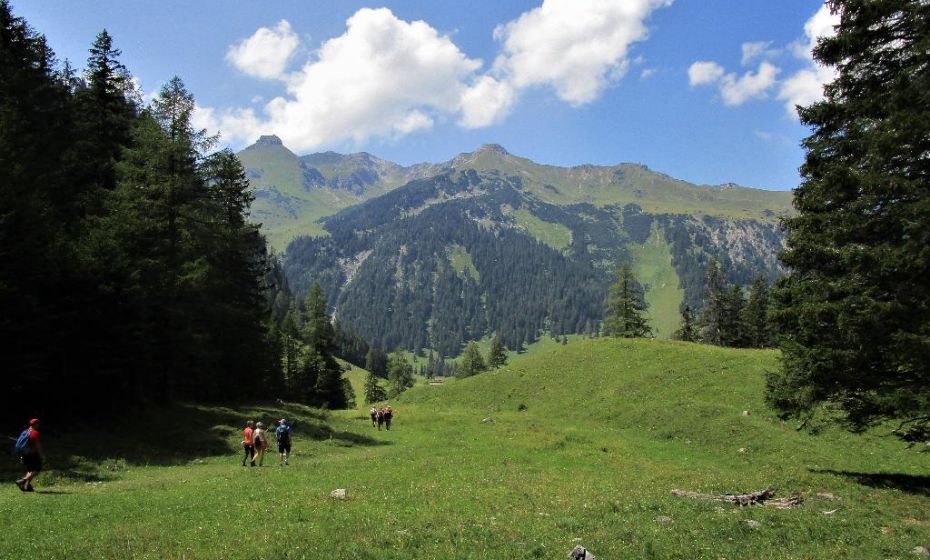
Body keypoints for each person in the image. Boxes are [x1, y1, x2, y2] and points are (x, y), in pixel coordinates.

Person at [15, 419, 43, 492]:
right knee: (37, 469)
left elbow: (21, 444)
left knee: (30, 470)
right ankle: (22, 481)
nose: (39, 425)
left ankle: (27, 486)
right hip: (32, 454)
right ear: (35, 424)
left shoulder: (25, 432)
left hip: (24, 454)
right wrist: (41, 455)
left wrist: (21, 455)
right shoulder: (35, 433)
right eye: (38, 424)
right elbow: (38, 446)